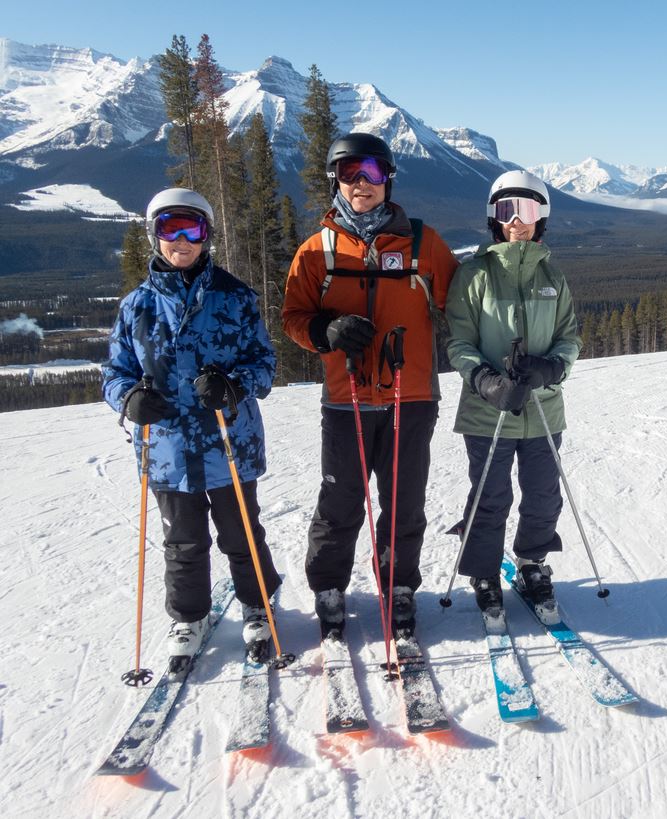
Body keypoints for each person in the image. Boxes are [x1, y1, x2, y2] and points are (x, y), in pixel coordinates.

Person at [282, 132, 458, 641]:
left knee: (404, 501)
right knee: (340, 502)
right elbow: (294, 316)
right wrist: (325, 332)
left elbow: (464, 305)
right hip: (346, 399)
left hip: (413, 395)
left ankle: (398, 586)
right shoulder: (317, 251)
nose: (361, 183)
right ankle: (329, 588)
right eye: (349, 173)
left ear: (389, 178)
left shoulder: (424, 244)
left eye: (373, 173)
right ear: (336, 180)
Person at [102, 187, 282, 666]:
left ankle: (258, 606)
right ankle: (189, 614)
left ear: (207, 235)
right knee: (182, 542)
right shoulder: (135, 307)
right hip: (166, 450)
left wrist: (234, 385)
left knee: (242, 534)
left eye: (192, 229)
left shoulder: (234, 297)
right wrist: (129, 398)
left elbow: (265, 362)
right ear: (153, 235)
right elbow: (114, 372)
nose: (181, 241)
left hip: (228, 444)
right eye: (169, 229)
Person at [446, 170, 581, 624]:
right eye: (507, 211)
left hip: (543, 408)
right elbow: (458, 343)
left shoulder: (553, 276)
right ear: (494, 217)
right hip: (490, 410)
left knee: (544, 494)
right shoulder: (472, 276)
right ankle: (484, 572)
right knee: (491, 494)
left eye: (527, 211)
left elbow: (569, 338)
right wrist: (485, 380)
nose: (517, 222)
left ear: (541, 218)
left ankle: (532, 563)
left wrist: (552, 368)